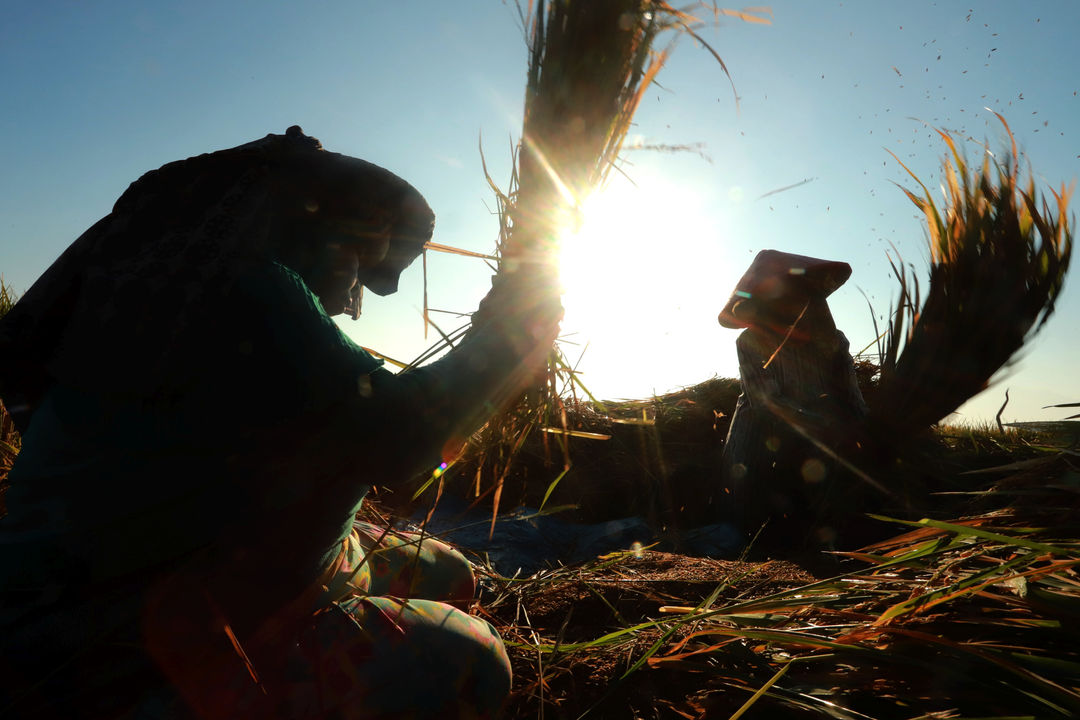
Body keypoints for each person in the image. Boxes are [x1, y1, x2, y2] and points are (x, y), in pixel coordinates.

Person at [0, 126, 561, 718]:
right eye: (351, 249)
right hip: (116, 637)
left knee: (453, 575)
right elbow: (403, 443)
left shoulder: (139, 300)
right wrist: (511, 326)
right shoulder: (245, 294)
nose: (354, 285)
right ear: (298, 228)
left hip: (225, 563)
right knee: (474, 662)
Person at [717, 250, 869, 548]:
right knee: (758, 531)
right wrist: (823, 426)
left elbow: (853, 398)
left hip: (820, 444)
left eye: (796, 296)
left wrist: (868, 431)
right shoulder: (751, 342)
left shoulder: (833, 342)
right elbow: (766, 403)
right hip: (761, 445)